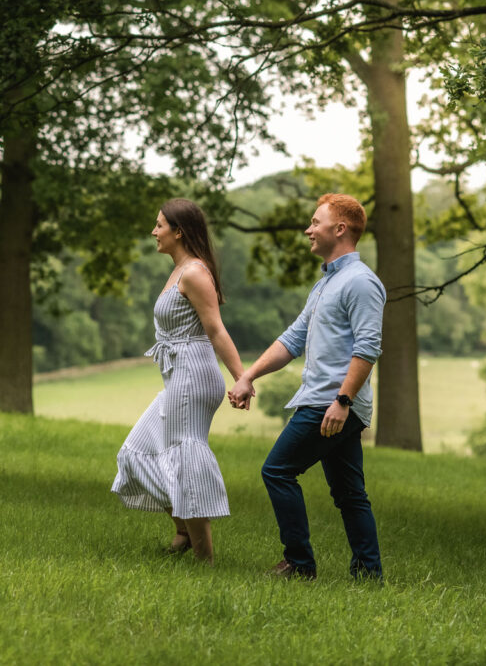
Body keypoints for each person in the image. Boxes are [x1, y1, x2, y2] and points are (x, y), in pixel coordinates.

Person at [229, 193, 385, 581]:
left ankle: (299, 564)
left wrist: (343, 401)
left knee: (277, 471)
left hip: (331, 405)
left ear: (340, 228)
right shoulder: (325, 285)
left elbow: (368, 348)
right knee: (350, 495)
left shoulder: (361, 283)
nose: (308, 229)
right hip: (329, 403)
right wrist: (248, 376)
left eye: (316, 222)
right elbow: (292, 340)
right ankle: (369, 574)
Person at [111, 198, 245, 565]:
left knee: (185, 457)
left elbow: (216, 329)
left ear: (178, 231)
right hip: (177, 376)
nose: (153, 232)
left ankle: (205, 560)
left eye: (159, 225)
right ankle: (185, 531)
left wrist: (242, 378)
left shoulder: (195, 273)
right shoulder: (179, 270)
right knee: (134, 452)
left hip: (193, 375)